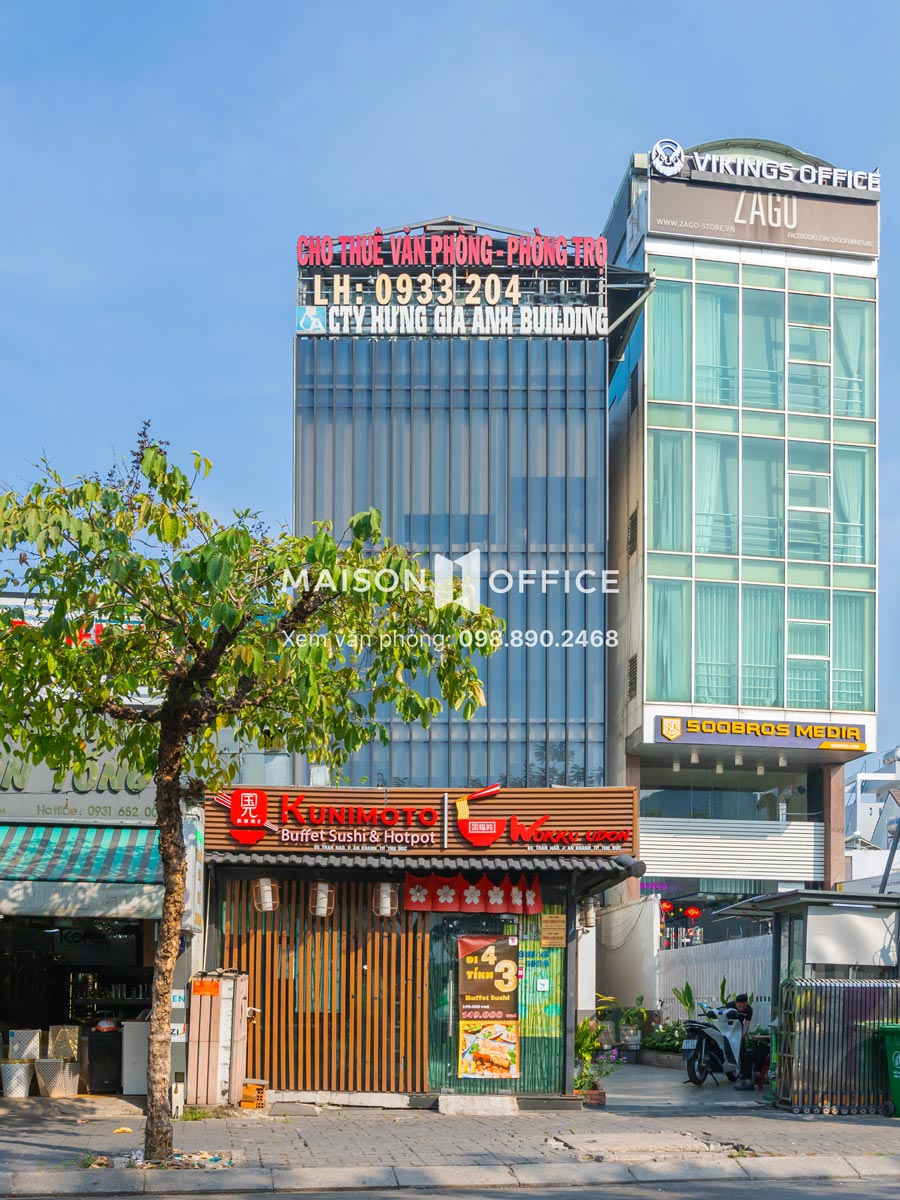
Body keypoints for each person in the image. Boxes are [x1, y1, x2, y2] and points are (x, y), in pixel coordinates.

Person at [731, 993, 756, 1090]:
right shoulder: (730, 1006)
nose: (741, 1008)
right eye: (739, 1006)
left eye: (744, 1006)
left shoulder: (749, 1009)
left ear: (747, 1004)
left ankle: (742, 1073)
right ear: (735, 1003)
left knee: (742, 1049)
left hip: (738, 1028)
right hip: (729, 1027)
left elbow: (747, 1023)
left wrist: (743, 1035)